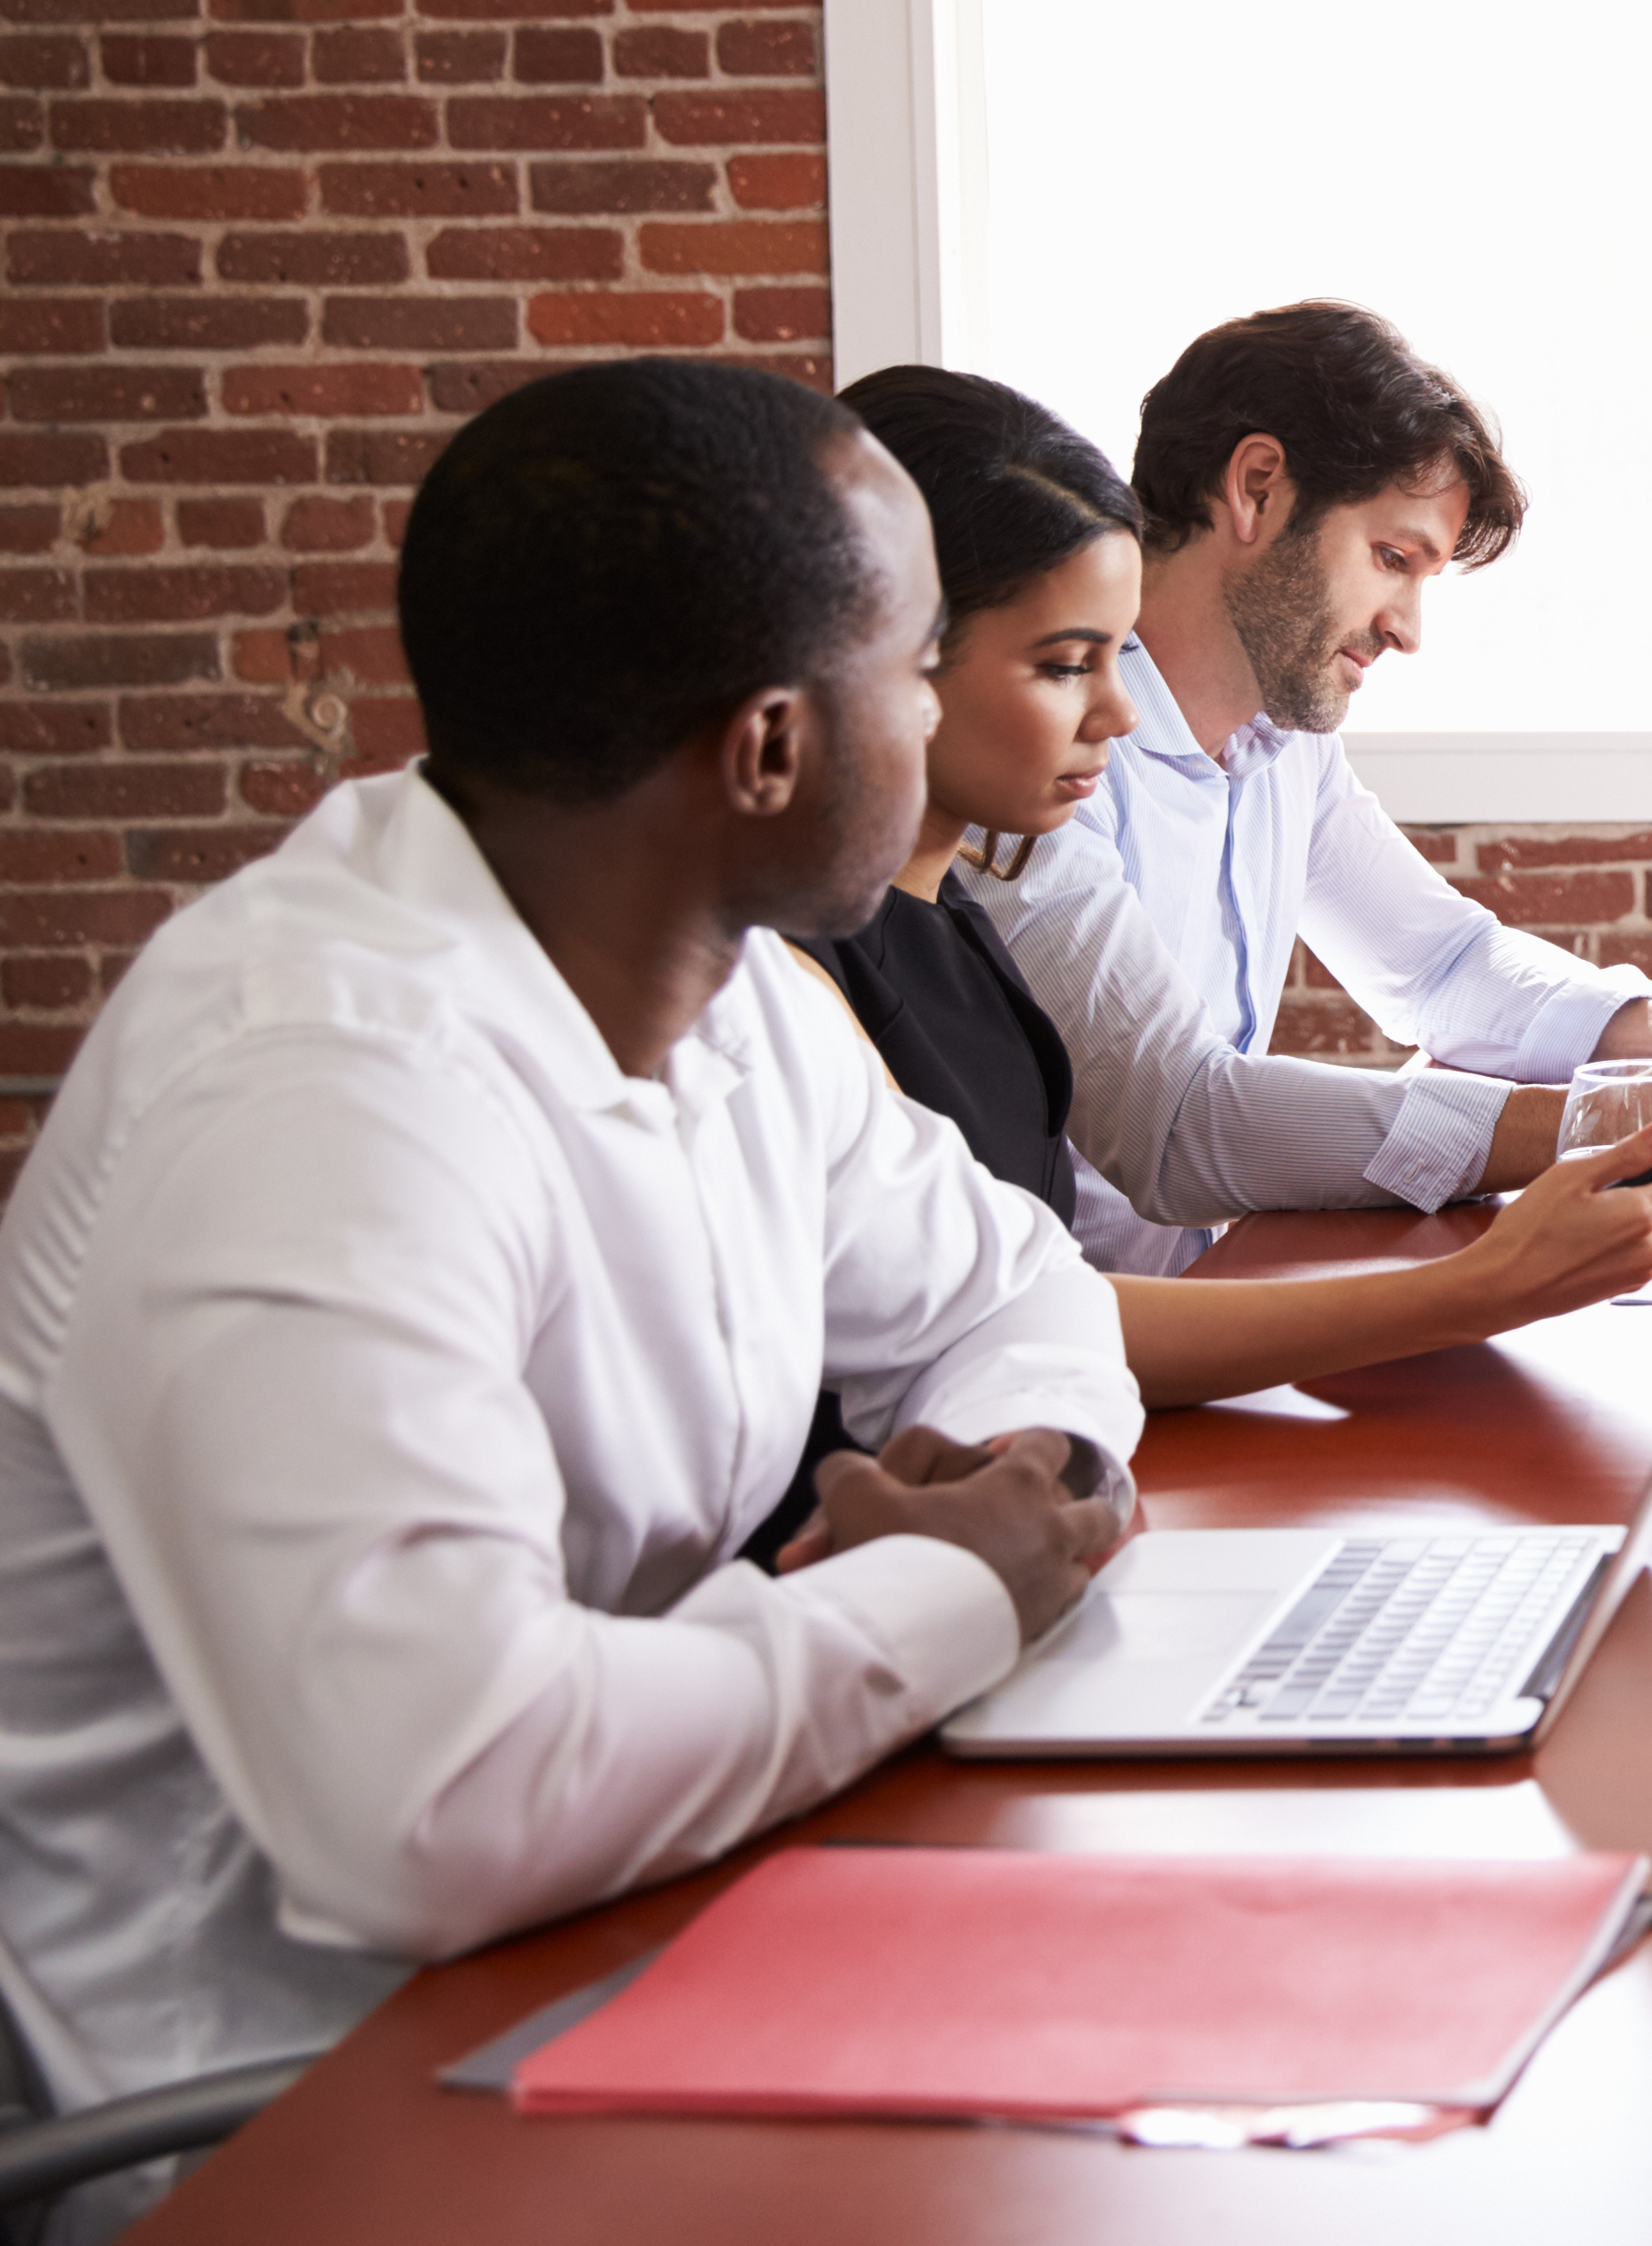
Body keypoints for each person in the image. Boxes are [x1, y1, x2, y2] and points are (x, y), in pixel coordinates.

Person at [0, 362, 1144, 2219]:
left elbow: (1018, 1289)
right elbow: (438, 1807)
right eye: (918, 667)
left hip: (636, 1952)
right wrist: (948, 1588)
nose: (938, 724)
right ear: (770, 747)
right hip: (306, 2114)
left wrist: (1019, 1457)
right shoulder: (322, 1091)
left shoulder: (735, 986)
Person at [796, 368, 1652, 1420]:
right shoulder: (916, 902)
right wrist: (1590, 1149)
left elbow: (1435, 960)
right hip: (1092, 1394)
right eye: (1393, 558)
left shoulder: (973, 916)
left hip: (1111, 1389)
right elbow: (1159, 1145)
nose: (1115, 714)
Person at [975, 303, 1652, 1273]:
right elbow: (1179, 1122)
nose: (1408, 629)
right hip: (1074, 1371)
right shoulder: (1044, 761)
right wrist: (1642, 1108)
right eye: (1393, 559)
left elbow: (1437, 966)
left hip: (1211, 1315)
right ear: (1256, 487)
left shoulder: (1281, 740)